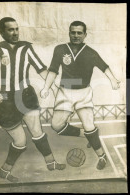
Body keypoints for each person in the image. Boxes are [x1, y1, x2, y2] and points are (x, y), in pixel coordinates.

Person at [0, 17, 66, 183]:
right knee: (20, 141)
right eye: (10, 30)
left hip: (26, 95)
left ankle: (51, 163)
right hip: (6, 101)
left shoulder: (26, 48)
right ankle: (4, 171)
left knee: (38, 132)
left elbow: (41, 69)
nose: (15, 33)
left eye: (16, 29)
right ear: (1, 32)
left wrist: (56, 87)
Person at [41, 21, 120, 170]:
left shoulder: (90, 52)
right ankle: (87, 135)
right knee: (56, 125)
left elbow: (104, 67)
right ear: (69, 33)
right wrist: (46, 87)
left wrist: (114, 80)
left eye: (79, 33)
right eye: (73, 32)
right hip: (65, 92)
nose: (76, 35)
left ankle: (102, 156)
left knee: (89, 125)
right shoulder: (60, 49)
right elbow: (53, 70)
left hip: (83, 93)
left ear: (85, 35)